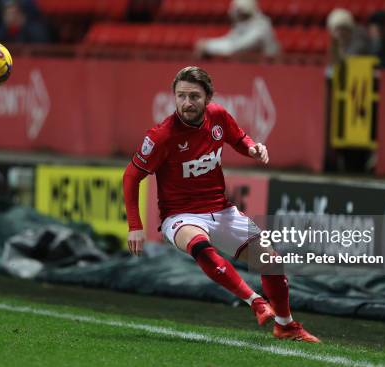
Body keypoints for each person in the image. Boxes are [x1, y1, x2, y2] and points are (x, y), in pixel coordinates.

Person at [122, 66, 319, 343]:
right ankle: (256, 303)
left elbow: (238, 138)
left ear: (208, 97)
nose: (187, 103)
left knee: (271, 261)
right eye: (181, 96)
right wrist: (134, 225)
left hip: (221, 209)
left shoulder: (218, 116)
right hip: (180, 215)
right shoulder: (161, 136)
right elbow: (131, 176)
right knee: (201, 247)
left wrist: (252, 147)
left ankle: (286, 325)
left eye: (194, 96)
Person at [194, 0, 280, 59]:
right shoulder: (242, 23)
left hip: (269, 68)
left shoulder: (261, 27)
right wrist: (207, 43)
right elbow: (230, 40)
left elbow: (236, 47)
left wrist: (208, 46)